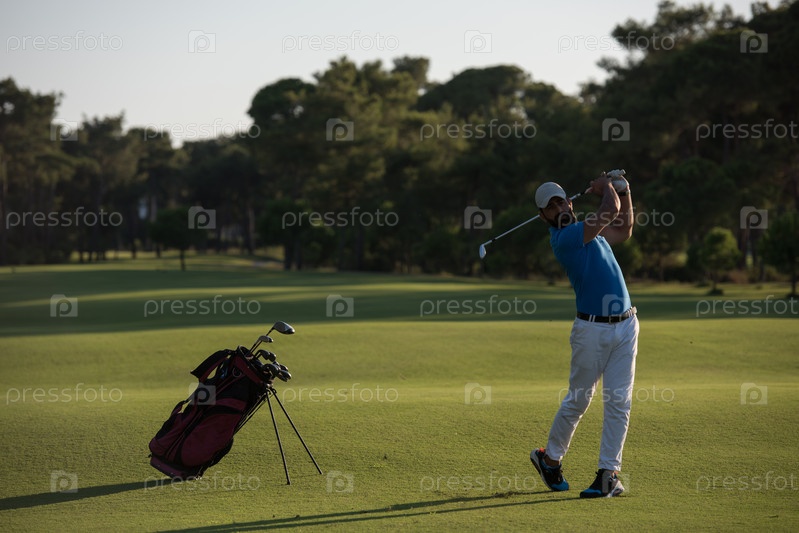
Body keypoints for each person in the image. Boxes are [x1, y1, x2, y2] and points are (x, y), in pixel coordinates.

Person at [529, 171, 639, 498]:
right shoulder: (566, 239)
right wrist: (606, 188)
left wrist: (624, 190)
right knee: (580, 399)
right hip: (591, 329)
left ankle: (609, 474)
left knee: (619, 402)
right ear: (544, 217)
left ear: (570, 203)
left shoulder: (594, 235)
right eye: (551, 207)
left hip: (627, 325)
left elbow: (624, 228)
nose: (558, 208)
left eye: (560, 201)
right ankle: (550, 459)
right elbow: (609, 211)